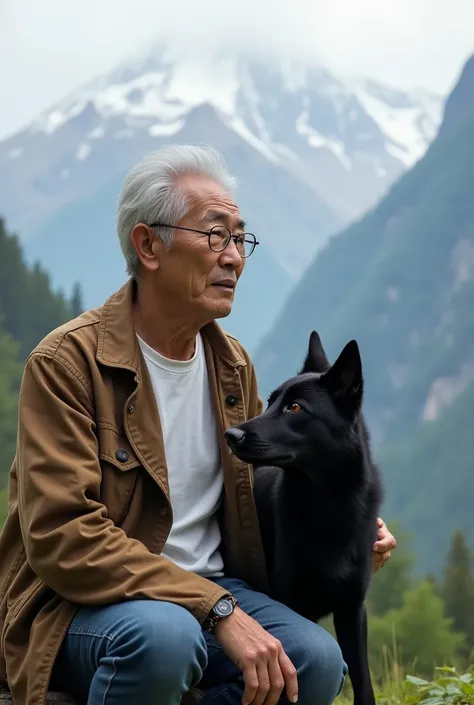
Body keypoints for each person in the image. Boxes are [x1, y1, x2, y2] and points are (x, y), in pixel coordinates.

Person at [0, 145, 396, 705]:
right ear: (148, 246)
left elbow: (265, 493)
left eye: (240, 238)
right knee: (165, 639)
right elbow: (62, 538)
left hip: (214, 594)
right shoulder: (66, 363)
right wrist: (213, 608)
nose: (234, 257)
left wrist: (353, 534)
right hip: (83, 604)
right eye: (215, 235)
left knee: (315, 660)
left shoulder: (231, 366)